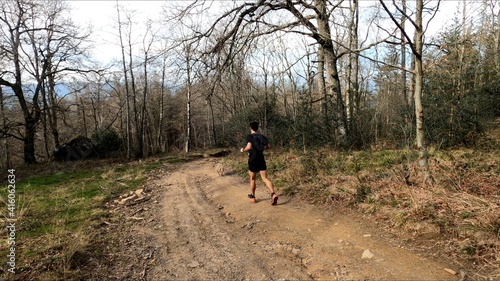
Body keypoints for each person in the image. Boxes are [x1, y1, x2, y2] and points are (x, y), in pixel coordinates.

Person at [240, 121, 278, 205]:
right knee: (265, 178)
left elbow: (249, 147)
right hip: (261, 158)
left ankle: (253, 197)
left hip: (253, 159)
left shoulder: (249, 137)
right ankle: (273, 194)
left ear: (250, 128)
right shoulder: (262, 136)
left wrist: (243, 150)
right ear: (257, 128)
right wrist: (262, 149)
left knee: (252, 179)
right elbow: (268, 146)